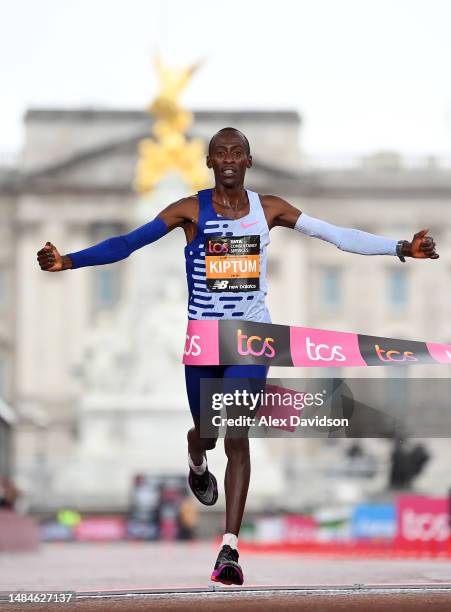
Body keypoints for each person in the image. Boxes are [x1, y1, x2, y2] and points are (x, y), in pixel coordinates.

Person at [37, 127, 439, 585]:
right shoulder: (188, 210)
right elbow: (128, 243)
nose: (228, 158)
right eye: (219, 153)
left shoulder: (270, 210)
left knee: (236, 430)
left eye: (237, 152)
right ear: (209, 162)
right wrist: (69, 261)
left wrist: (400, 248)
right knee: (207, 434)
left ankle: (229, 548)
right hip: (203, 340)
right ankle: (196, 460)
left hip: (250, 338)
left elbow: (335, 235)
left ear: (249, 161)